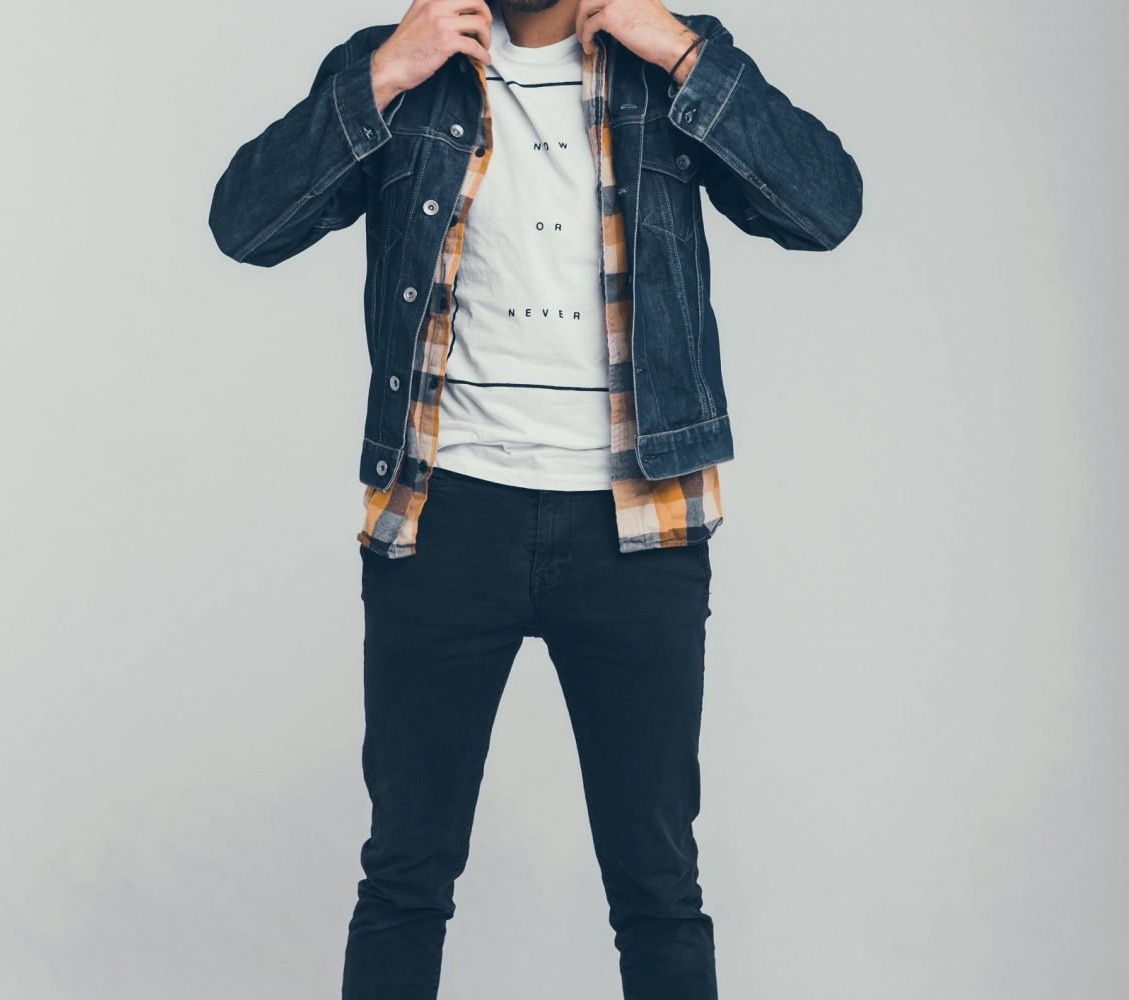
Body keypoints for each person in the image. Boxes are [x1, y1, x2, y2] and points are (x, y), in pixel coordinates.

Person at [208, 1, 862, 996]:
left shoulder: (669, 58)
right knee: (404, 878)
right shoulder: (404, 63)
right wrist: (385, 72)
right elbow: (244, 225)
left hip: (635, 522)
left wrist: (686, 55)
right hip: (444, 516)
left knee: (658, 888)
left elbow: (827, 207)